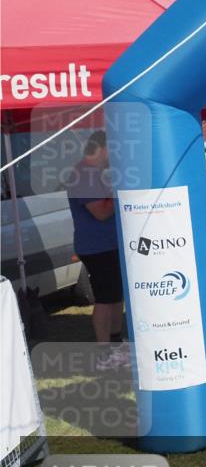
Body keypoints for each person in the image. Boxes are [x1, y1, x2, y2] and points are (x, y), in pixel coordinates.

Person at [66, 131, 126, 369]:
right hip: (96, 247)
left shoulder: (93, 174)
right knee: (104, 298)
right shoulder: (83, 175)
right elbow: (100, 211)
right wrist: (120, 193)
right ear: (103, 148)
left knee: (114, 295)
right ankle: (104, 354)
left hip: (107, 244)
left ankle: (115, 344)